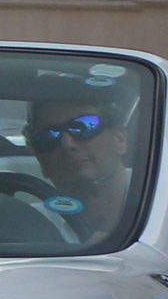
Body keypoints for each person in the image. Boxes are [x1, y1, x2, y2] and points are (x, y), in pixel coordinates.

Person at [24, 93, 143, 241]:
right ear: (41, 161)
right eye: (48, 136)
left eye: (84, 126)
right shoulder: (29, 228)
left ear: (119, 139)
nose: (67, 144)